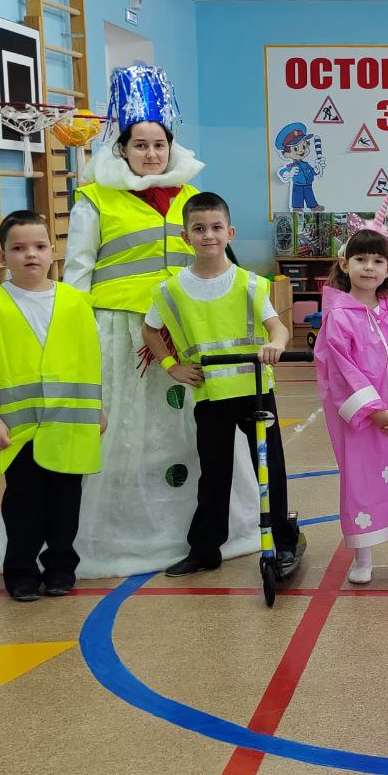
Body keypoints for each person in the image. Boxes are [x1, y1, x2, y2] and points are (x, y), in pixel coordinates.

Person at [0, 64, 259, 579]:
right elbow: (79, 270)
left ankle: (205, 530)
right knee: (122, 432)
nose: (151, 154)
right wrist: (73, 333)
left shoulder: (192, 200)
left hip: (185, 333)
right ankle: (111, 533)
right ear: (122, 148)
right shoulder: (95, 198)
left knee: (194, 431)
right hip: (119, 332)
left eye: (159, 144)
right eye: (140, 145)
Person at [142, 192, 304, 577]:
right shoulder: (171, 289)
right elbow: (149, 330)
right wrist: (172, 366)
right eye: (199, 229)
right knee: (214, 473)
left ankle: (283, 542)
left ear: (229, 233)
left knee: (270, 469)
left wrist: (276, 344)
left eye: (216, 227)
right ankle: (205, 549)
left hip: (255, 391)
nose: (208, 235)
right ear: (186, 237)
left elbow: (277, 328)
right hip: (210, 395)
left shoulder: (249, 284)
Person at [0, 211, 104, 600]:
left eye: (39, 246)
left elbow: (90, 360)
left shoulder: (76, 302)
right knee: (24, 504)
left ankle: (60, 568)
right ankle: (21, 572)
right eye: (19, 248)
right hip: (19, 428)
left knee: (65, 502)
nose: (30, 255)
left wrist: (98, 408)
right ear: (2, 255)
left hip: (69, 425)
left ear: (52, 251)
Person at [314, 227, 388, 588]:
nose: (369, 267)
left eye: (378, 260)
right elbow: (340, 371)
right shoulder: (339, 316)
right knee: (361, 483)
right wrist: (374, 411)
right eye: (361, 259)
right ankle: (363, 558)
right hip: (362, 422)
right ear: (344, 264)